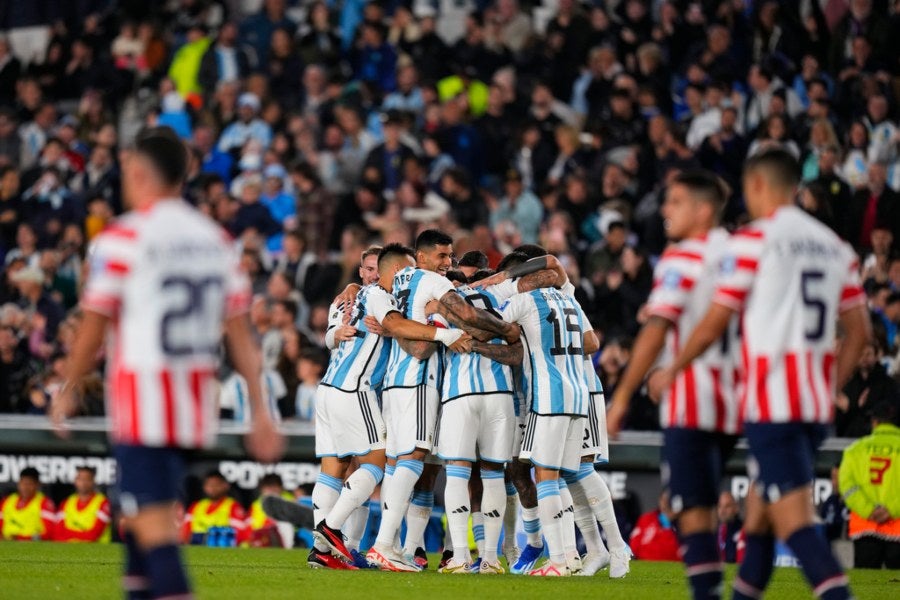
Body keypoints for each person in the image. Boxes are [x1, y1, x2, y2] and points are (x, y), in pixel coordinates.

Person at [51, 126, 284, 600]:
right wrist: (260, 409)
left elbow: (93, 324)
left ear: (137, 173)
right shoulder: (216, 240)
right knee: (135, 532)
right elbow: (240, 332)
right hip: (194, 405)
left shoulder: (123, 238)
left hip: (143, 408)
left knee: (155, 530)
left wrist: (67, 388)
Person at [656, 149, 870, 600]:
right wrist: (829, 389)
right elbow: (859, 333)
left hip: (773, 402)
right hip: (813, 404)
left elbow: (716, 320)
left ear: (756, 185)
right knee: (758, 518)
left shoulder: (753, 241)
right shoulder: (837, 247)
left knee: (795, 522)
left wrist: (673, 367)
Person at [607, 170, 740, 599]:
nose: (665, 209)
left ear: (702, 210)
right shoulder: (744, 251)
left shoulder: (684, 255)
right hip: (740, 395)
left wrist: (623, 395)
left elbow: (659, 328)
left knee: (691, 508)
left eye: (676, 201)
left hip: (693, 396)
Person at [311, 243, 469, 571]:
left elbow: (333, 336)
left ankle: (323, 552)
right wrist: (446, 335)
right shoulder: (380, 296)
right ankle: (331, 529)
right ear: (398, 273)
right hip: (356, 388)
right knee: (377, 464)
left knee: (333, 469)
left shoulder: (349, 298)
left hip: (327, 387)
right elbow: (395, 325)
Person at [366, 230, 509, 572]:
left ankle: (399, 546)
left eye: (450, 256)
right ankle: (385, 545)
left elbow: (397, 326)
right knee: (414, 459)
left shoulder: (387, 289)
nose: (448, 263)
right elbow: (464, 321)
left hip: (395, 383)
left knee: (401, 464)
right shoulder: (430, 281)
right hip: (419, 381)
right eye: (442, 256)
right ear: (422, 257)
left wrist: (430, 321)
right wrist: (503, 331)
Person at [839, 401, 900, 569]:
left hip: (865, 526)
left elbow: (847, 487)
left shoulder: (854, 449)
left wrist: (869, 510)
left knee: (865, 588)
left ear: (874, 422)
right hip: (898, 528)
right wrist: (891, 510)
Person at [182, 471, 250, 547]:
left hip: (222, 550)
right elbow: (184, 533)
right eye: (209, 485)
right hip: (196, 549)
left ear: (225, 486)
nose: (212, 488)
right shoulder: (196, 506)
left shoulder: (233, 506)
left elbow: (241, 535)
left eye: (216, 485)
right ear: (204, 487)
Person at [55, 466, 112, 543]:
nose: (83, 483)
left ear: (93, 481)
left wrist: (69, 535)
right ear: (75, 481)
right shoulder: (66, 503)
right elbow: (57, 534)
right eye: (80, 479)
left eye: (87, 479)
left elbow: (93, 535)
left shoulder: (103, 503)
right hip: (68, 552)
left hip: (97, 552)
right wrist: (82, 534)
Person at [0, 467, 56, 541]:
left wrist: (22, 538)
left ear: (37, 485)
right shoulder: (7, 501)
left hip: (32, 545)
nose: (25, 487)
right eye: (23, 483)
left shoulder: (45, 503)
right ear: (18, 483)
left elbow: (50, 532)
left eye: (29, 484)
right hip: (5, 543)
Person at [630, 492, 681, 562]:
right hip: (645, 563)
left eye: (668, 500)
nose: (665, 504)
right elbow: (634, 546)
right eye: (663, 500)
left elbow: (676, 553)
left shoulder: (683, 522)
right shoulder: (646, 519)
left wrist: (668, 529)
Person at [717, 491, 745, 564]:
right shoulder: (713, 530)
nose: (722, 511)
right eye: (720, 506)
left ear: (736, 508)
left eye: (727, 506)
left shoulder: (743, 530)